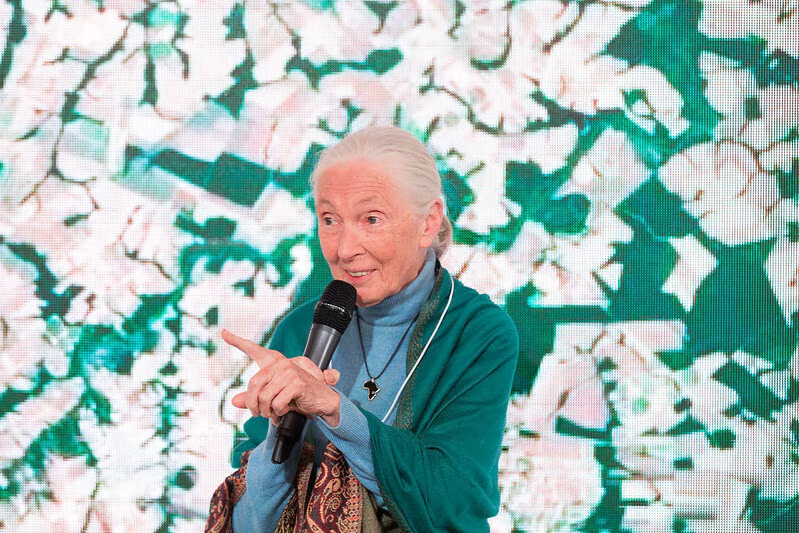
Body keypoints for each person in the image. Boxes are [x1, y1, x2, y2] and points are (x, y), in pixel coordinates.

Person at [205, 126, 519, 532]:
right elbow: (248, 523)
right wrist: (281, 434)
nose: (344, 249)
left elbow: (452, 501)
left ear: (428, 223)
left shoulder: (477, 333)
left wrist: (334, 409)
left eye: (371, 219)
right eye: (329, 220)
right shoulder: (301, 327)